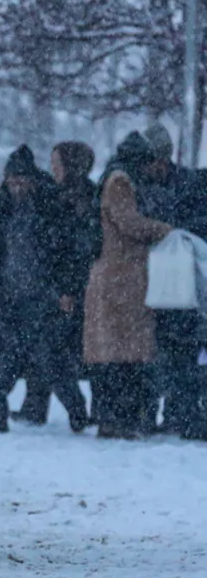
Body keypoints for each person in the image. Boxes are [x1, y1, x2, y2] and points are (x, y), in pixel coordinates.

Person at [0, 145, 88, 434]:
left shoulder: (52, 207)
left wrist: (66, 290)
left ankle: (77, 411)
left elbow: (67, 254)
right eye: (12, 181)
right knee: (1, 362)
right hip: (8, 298)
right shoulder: (0, 208)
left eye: (21, 181)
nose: (16, 186)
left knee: (53, 361)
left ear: (32, 180)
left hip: (43, 299)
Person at [85, 132, 173, 439]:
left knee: (120, 356)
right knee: (123, 356)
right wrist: (166, 230)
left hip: (120, 279)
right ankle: (118, 420)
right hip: (121, 280)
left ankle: (118, 419)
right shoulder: (121, 181)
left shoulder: (115, 176)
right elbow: (129, 222)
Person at [13, 141, 98, 424]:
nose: (53, 170)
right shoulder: (61, 195)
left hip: (68, 289)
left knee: (52, 351)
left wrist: (67, 288)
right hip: (52, 285)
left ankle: (75, 408)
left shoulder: (79, 200)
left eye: (57, 165)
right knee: (43, 348)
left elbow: (75, 250)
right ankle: (38, 406)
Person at [141, 124, 206, 438]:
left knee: (181, 353)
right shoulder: (181, 184)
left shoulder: (189, 186)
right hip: (165, 285)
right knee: (168, 354)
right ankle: (177, 414)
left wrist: (171, 229)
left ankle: (182, 414)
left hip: (183, 286)